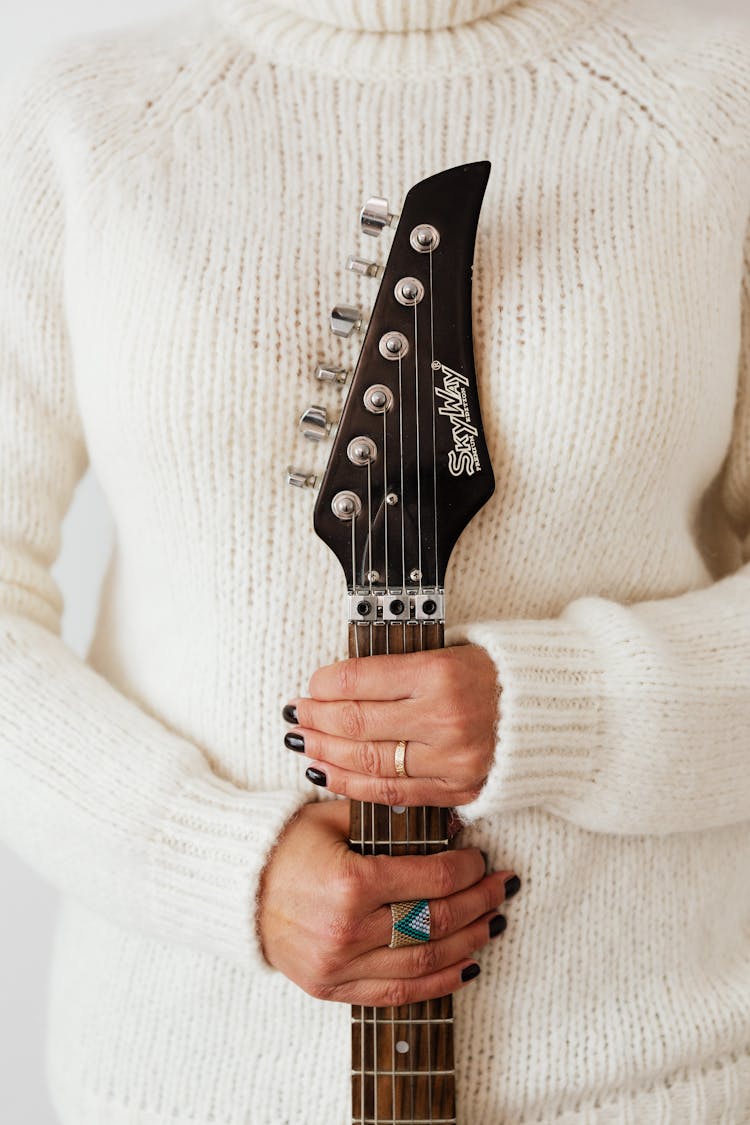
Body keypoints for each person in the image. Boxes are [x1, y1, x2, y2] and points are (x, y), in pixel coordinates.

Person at [1, 0, 749, 1121]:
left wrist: (577, 708)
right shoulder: (88, 118)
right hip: (181, 1080)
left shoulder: (718, 100)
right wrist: (222, 868)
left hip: (655, 1073)